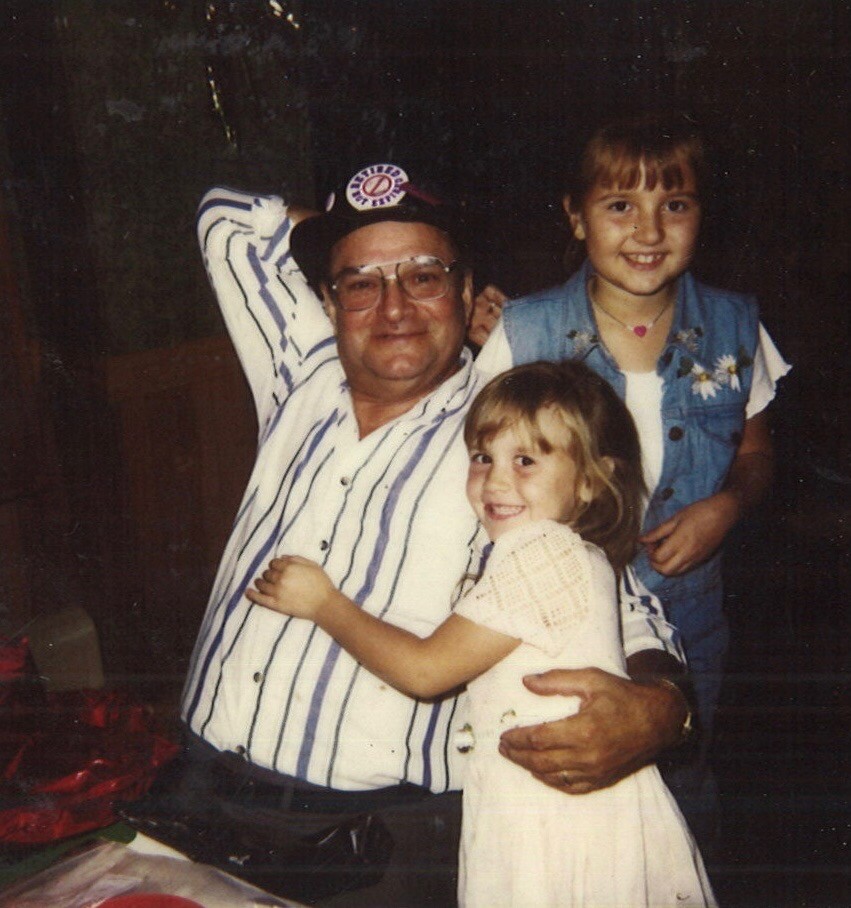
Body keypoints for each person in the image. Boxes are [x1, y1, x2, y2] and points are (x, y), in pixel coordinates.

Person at [154, 163, 692, 906]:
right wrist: (347, 223)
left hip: (369, 841)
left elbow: (616, 600)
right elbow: (224, 218)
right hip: (196, 790)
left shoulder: (506, 441)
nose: (394, 307)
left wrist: (661, 710)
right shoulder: (298, 375)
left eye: (424, 277)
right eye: (361, 283)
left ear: (468, 294)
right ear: (327, 303)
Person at [247, 360, 717, 907]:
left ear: (592, 480)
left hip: (560, 824)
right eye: (482, 457)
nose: (495, 481)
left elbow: (425, 671)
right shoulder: (568, 555)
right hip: (542, 810)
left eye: (525, 461)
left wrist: (325, 604)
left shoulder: (542, 552)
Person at [475, 114, 792, 846]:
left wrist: (726, 506)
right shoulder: (525, 332)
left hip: (690, 623)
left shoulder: (736, 327)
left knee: (678, 796)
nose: (648, 231)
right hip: (558, 617)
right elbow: (483, 475)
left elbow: (755, 454)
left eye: (673, 204)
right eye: (620, 205)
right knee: (566, 810)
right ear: (575, 216)